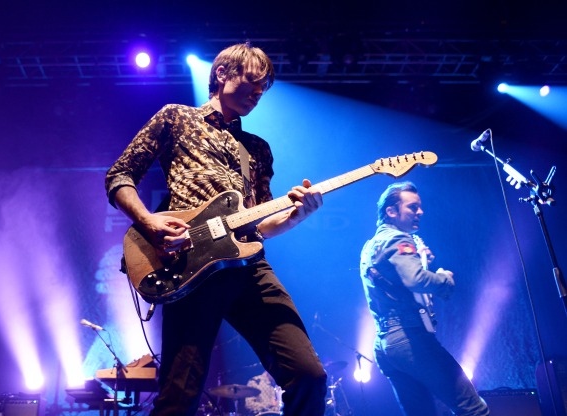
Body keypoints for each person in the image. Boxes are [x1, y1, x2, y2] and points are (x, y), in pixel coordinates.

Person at [105, 42, 327, 416]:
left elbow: (260, 219)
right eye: (253, 81)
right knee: (180, 397)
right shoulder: (176, 117)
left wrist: (296, 215)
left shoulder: (257, 148)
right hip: (190, 263)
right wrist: (148, 220)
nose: (259, 93)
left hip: (248, 267)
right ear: (222, 73)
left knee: (309, 376)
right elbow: (120, 174)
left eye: (264, 89)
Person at [359, 182, 489, 416]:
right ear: (391, 211)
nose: (420, 212)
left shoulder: (370, 245)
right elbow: (416, 279)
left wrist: (420, 258)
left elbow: (394, 283)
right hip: (409, 338)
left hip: (385, 344)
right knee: (473, 409)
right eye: (413, 207)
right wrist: (443, 279)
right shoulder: (399, 239)